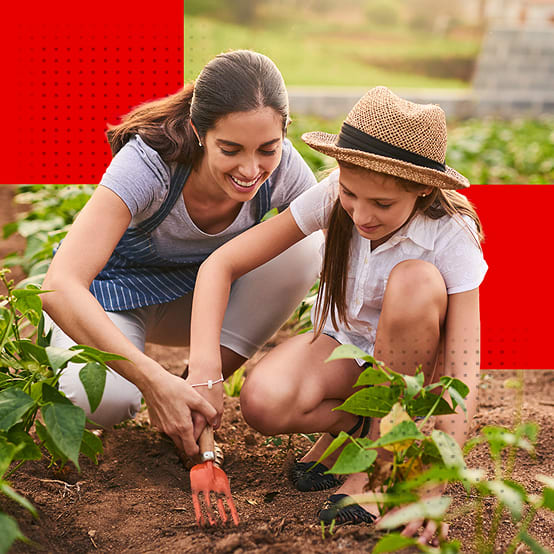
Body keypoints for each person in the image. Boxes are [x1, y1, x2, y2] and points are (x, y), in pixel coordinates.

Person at [188, 86, 487, 542]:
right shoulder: (333, 194)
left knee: (413, 280)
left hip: (411, 373)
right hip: (346, 351)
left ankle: (382, 466)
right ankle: (361, 427)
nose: (361, 215)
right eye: (350, 193)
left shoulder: (452, 236)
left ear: (424, 188)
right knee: (263, 402)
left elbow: (464, 366)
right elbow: (221, 263)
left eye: (382, 205)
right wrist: (205, 375)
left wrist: (433, 487)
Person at [41, 49, 323, 457]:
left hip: (199, 306)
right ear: (197, 131)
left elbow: (344, 248)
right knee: (100, 400)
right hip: (114, 302)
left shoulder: (284, 168)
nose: (251, 169)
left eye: (267, 148)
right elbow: (60, 284)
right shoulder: (149, 165)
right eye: (230, 150)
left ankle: (195, 400)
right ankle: (159, 389)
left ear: (284, 132)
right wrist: (154, 381)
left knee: (308, 243)